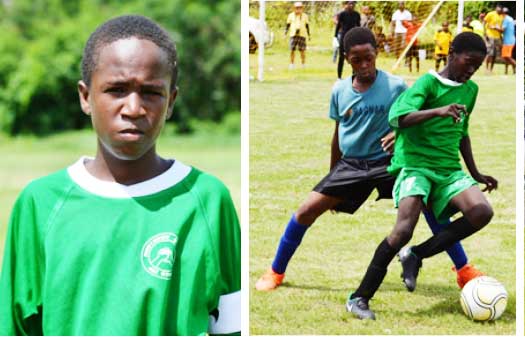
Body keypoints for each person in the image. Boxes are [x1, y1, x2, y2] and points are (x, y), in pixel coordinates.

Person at [0, 15, 240, 335]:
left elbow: (232, 325)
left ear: (171, 101)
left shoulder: (207, 200)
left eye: (151, 93)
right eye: (116, 90)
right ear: (86, 97)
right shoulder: (40, 203)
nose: (133, 108)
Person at [254, 27, 484, 294]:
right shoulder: (339, 90)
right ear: (346, 58)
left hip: (390, 163)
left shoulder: (395, 85)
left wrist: (396, 133)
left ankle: (463, 269)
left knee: (431, 205)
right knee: (306, 210)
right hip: (351, 165)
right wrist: (333, 174)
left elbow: (411, 114)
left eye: (369, 58)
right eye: (356, 60)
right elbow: (337, 133)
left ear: (377, 53)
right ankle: (275, 270)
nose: (364, 65)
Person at [346, 32, 498, 320]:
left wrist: (476, 173)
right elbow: (399, 117)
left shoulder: (471, 90)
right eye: (468, 62)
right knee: (403, 229)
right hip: (415, 166)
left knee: (481, 212)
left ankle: (416, 255)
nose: (471, 70)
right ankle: (359, 298)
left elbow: (462, 132)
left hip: (448, 169)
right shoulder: (427, 83)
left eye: (477, 66)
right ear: (452, 53)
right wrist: (438, 110)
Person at [334, 1, 360, 79]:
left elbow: (358, 26)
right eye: (350, 3)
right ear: (347, 4)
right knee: (341, 57)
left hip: (353, 37)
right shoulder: (342, 14)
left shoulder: (356, 14)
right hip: (344, 37)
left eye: (353, 4)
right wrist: (335, 36)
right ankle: (339, 76)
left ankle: (354, 75)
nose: (351, 5)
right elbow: (338, 26)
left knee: (354, 56)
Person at [286, 1, 311, 70]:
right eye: (297, 8)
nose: (298, 9)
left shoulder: (305, 16)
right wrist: (285, 33)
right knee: (292, 50)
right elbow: (288, 25)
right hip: (293, 34)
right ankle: (291, 64)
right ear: (294, 8)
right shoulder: (291, 15)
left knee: (302, 50)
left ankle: (303, 64)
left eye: (300, 8)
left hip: (302, 34)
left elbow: (307, 25)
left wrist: (309, 35)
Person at [483, 4, 504, 73]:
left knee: (495, 55)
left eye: (501, 8)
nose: (499, 9)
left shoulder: (501, 17)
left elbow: (501, 29)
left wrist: (498, 30)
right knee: (489, 53)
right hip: (490, 36)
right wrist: (485, 33)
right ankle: (486, 68)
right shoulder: (491, 14)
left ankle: (491, 69)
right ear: (496, 8)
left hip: (497, 37)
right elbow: (484, 22)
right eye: (498, 8)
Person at [500, 8, 516, 74]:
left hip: (508, 41)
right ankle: (507, 71)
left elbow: (502, 30)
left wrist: (494, 27)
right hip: (511, 40)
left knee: (506, 56)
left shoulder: (506, 19)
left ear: (503, 13)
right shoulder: (511, 19)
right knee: (507, 57)